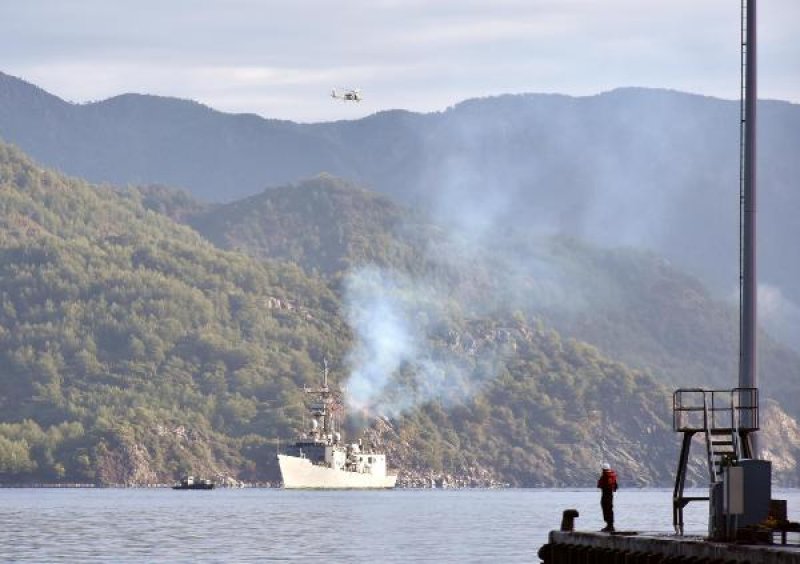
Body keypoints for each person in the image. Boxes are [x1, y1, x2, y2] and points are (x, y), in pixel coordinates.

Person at [597, 462, 618, 532]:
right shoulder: (613, 475)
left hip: (606, 494)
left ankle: (609, 526)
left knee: (606, 508)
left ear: (603, 469)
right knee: (609, 509)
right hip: (610, 494)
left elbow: (600, 485)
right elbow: (615, 486)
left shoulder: (606, 476)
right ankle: (610, 525)